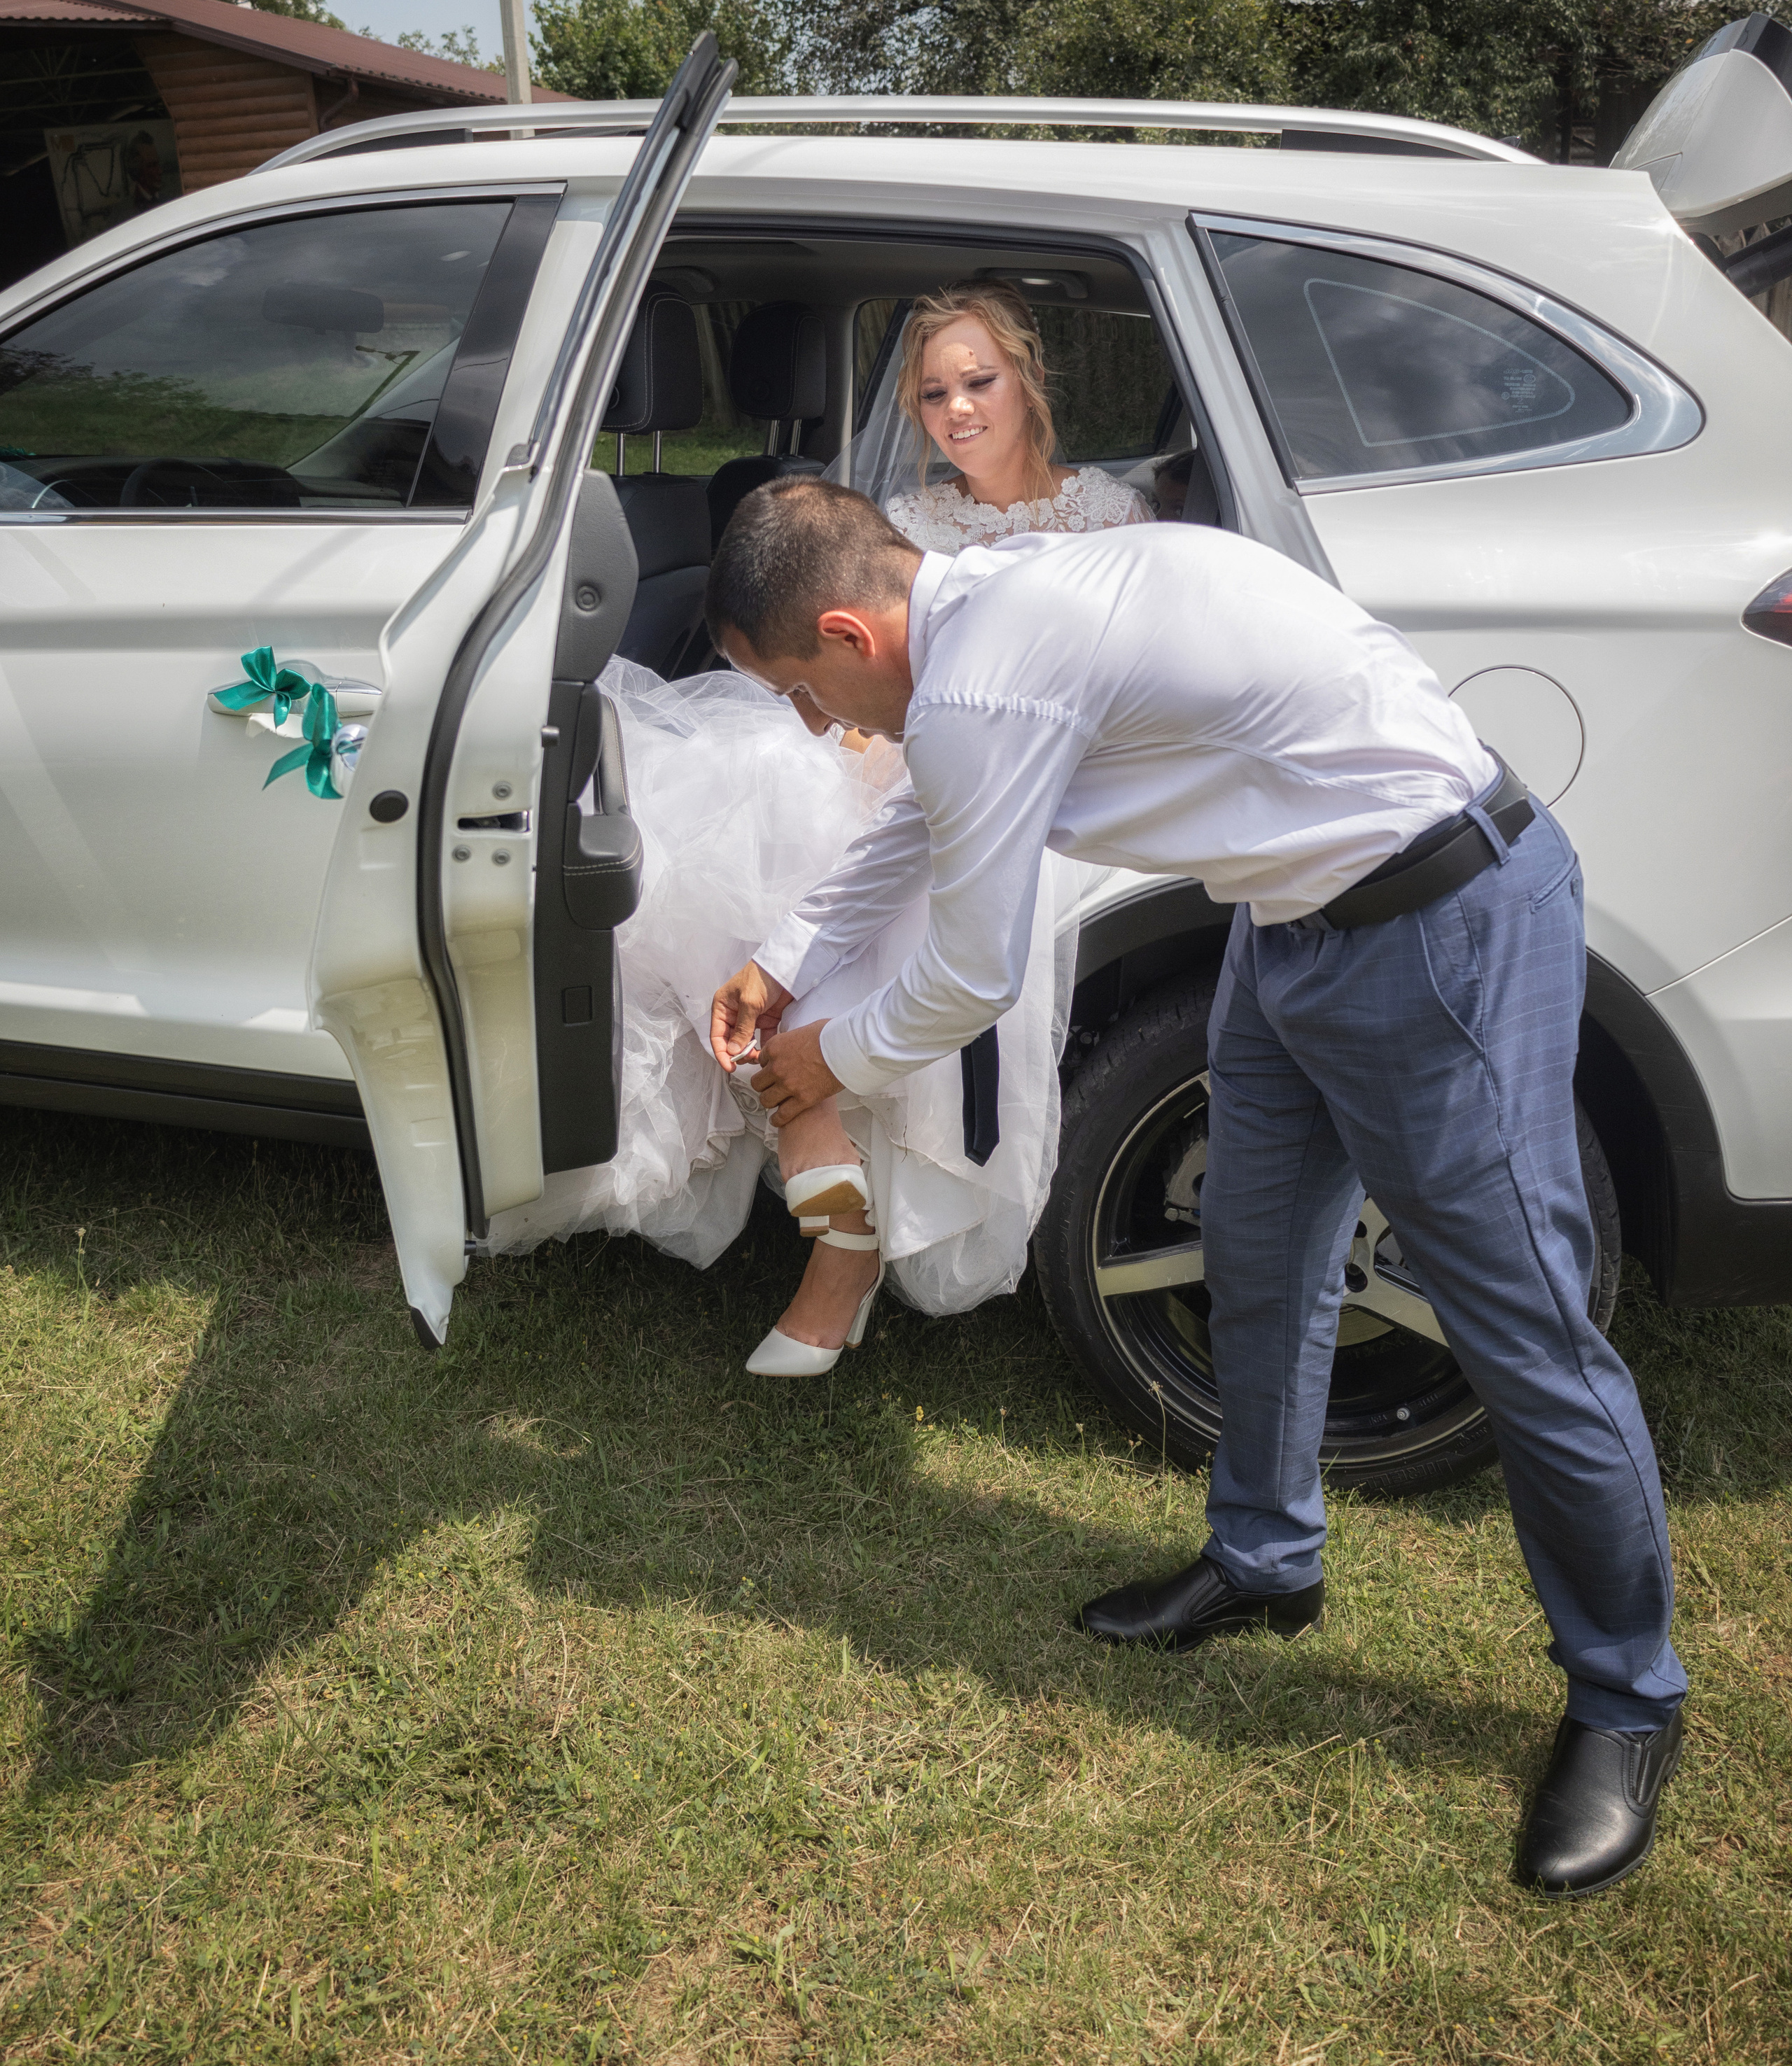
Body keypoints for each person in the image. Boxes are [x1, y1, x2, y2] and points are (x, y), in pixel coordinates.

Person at [704, 475, 1686, 1901]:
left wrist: (818, 1061)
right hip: (1295, 926)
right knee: (1256, 1250)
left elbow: (971, 972)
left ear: (850, 628)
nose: (816, 723)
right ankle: (1265, 1558)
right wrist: (790, 952)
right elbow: (929, 826)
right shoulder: (983, 629)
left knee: (1520, 1332)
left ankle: (1625, 1698)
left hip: (1434, 923)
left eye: (800, 689)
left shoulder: (985, 683)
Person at [488, 283, 1149, 1372]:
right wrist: (856, 758)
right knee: (766, 820)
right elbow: (861, 690)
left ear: (1025, 379)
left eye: (978, 382)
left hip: (1046, 779)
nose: (958, 410)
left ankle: (834, 1180)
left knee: (872, 898)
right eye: (934, 392)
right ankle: (828, 1190)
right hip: (887, 752)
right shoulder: (906, 526)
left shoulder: (1110, 518)